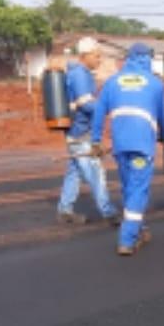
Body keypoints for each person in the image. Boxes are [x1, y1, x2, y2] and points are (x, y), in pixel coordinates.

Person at [90, 42, 164, 256]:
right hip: (142, 145)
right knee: (139, 189)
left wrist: (95, 141)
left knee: (128, 187)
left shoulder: (112, 82)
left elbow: (98, 112)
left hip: (121, 145)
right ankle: (127, 239)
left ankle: (140, 228)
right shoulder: (155, 84)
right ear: (147, 58)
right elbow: (162, 115)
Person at [56, 37, 119, 225]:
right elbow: (86, 104)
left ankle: (64, 210)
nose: (99, 60)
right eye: (97, 56)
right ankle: (109, 212)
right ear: (85, 55)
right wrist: (109, 110)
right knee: (95, 171)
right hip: (81, 133)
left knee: (75, 172)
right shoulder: (80, 75)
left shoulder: (79, 73)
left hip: (76, 131)